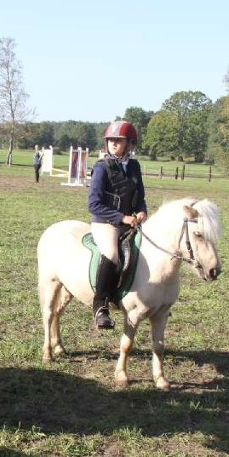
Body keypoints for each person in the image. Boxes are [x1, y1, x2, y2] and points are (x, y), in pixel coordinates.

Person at [87, 120, 148, 329]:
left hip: (129, 222)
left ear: (130, 144)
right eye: (111, 140)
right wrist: (122, 218)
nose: (113, 143)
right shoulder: (101, 167)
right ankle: (100, 306)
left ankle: (147, 298)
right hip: (105, 222)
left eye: (118, 140)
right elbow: (93, 204)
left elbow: (140, 196)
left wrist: (142, 210)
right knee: (112, 254)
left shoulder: (134, 166)